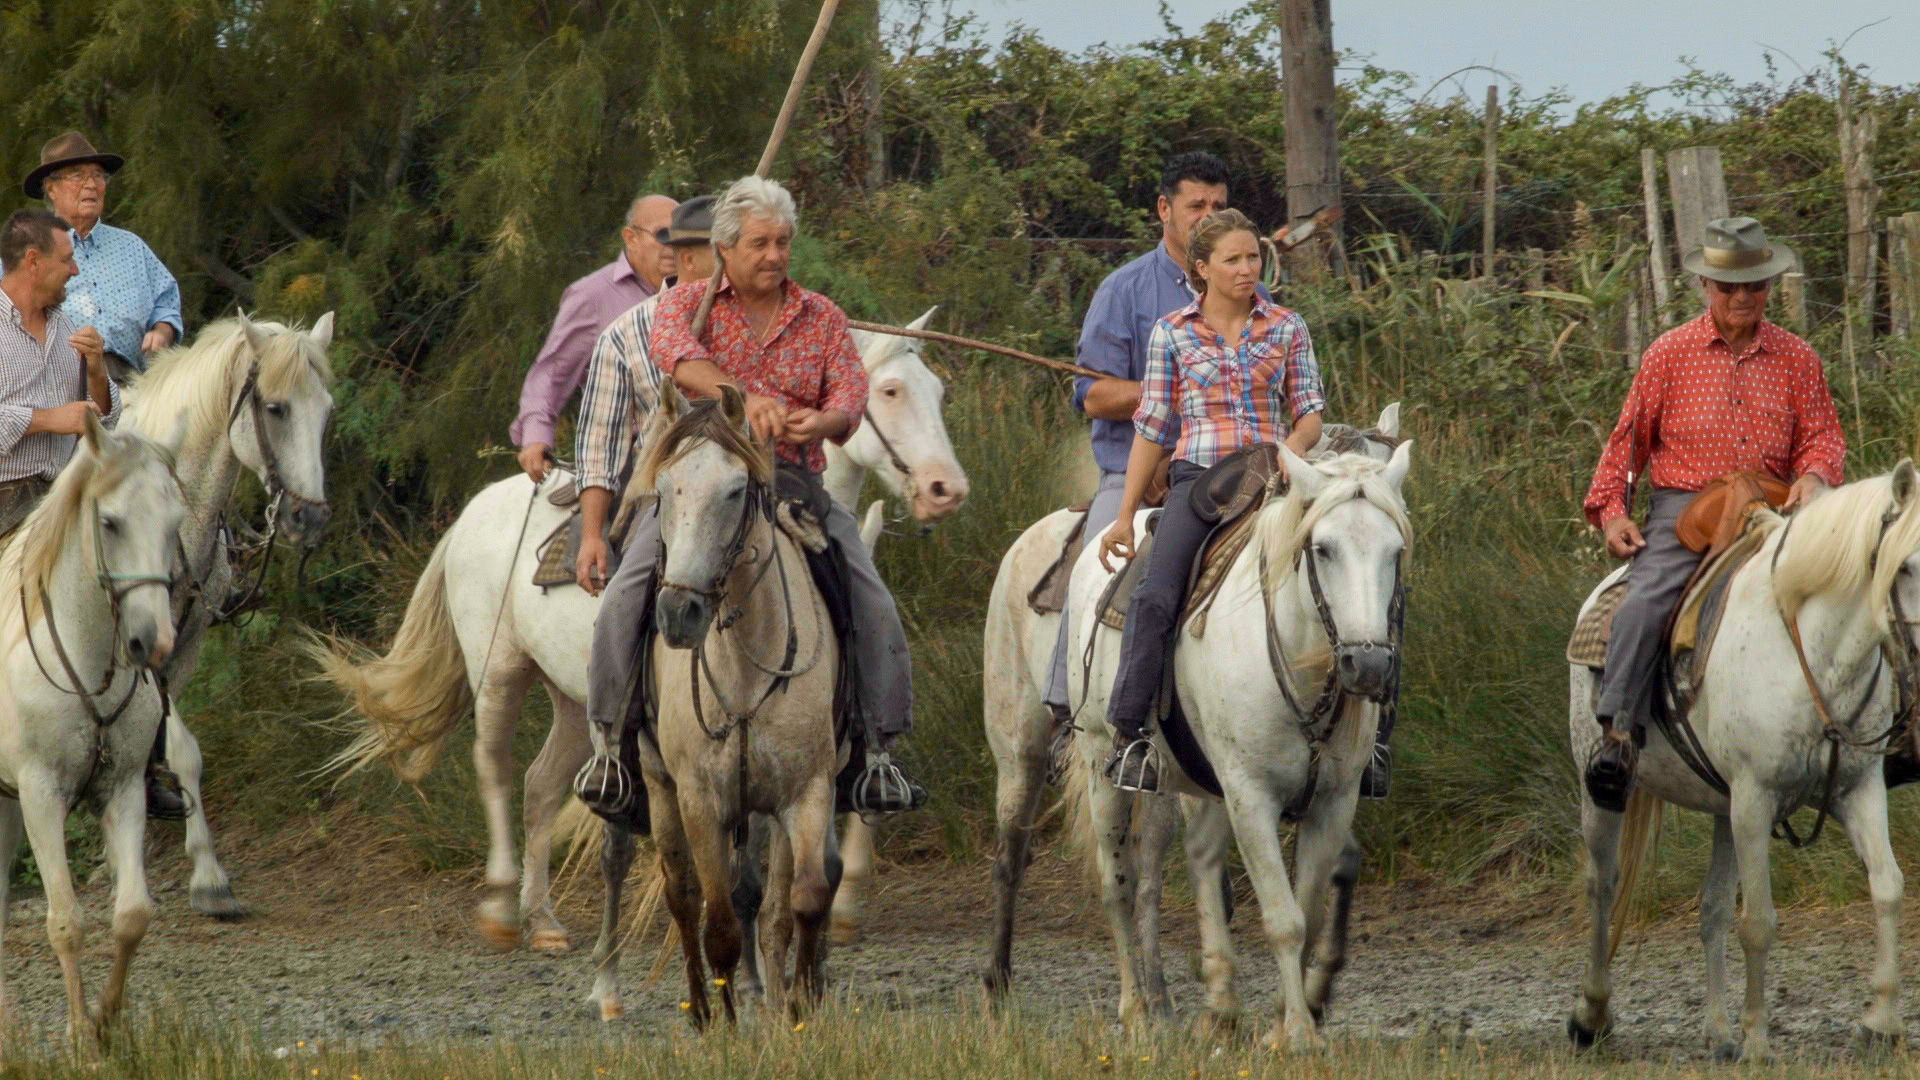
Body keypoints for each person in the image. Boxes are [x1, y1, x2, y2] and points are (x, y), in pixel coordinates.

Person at [572, 176, 925, 819]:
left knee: (869, 592)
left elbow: (848, 397)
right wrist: (744, 398)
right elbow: (679, 361)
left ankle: (878, 752)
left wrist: (821, 423)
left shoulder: (822, 316)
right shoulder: (688, 305)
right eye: (760, 243)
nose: (775, 255)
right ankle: (612, 749)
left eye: (783, 242)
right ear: (726, 250)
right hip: (701, 482)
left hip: (792, 481)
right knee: (627, 594)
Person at [1581, 216, 1845, 813]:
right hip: (1688, 509)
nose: (1743, 299)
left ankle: (1859, 733)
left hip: (1776, 500)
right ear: (1706, 288)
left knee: (1853, 589)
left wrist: (1812, 476)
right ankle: (1618, 735)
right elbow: (1628, 444)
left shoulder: (1798, 358)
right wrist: (1613, 512)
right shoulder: (1668, 355)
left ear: (1769, 288)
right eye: (1730, 289)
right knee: (1646, 601)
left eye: (1754, 287)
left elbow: (1824, 437)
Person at [1096, 209, 1325, 794]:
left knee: (1352, 572)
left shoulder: (1287, 326)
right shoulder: (1171, 331)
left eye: (1253, 257)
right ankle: (1130, 736)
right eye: (1234, 259)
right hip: (1200, 481)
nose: (1248, 269)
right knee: (1153, 594)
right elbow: (1151, 427)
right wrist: (1124, 515)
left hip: (1273, 474)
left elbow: (1310, 413)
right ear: (1203, 269)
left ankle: (1368, 741)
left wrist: (1287, 453)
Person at [1044, 152, 1230, 770]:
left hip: (1225, 473)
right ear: (1164, 211)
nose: (1207, 217)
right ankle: (1068, 711)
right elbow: (1092, 394)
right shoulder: (1123, 289)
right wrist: (1175, 392)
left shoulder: (1246, 290)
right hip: (1132, 473)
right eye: (1195, 206)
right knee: (1095, 562)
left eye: (1216, 207)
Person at [0, 208, 181, 817]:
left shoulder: (73, 324)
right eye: (66, 260)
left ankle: (140, 757)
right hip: (5, 498)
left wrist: (100, 372)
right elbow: (61, 420)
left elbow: (105, 421)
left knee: (137, 590)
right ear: (32, 262)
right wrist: (49, 419)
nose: (76, 271)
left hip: (64, 497)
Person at [510, 193, 678, 483]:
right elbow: (553, 372)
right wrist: (536, 435)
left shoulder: (696, 289)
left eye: (681, 235)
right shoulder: (592, 296)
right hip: (626, 456)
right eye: (663, 234)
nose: (673, 246)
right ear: (631, 237)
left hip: (693, 445)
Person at [23, 132, 183, 383]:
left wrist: (162, 331)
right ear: (51, 188)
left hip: (136, 387)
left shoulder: (131, 247)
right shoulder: (29, 253)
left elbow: (166, 300)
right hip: (59, 389)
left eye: (98, 175)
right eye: (78, 175)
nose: (91, 184)